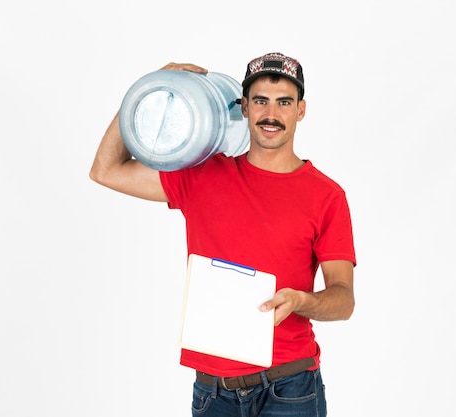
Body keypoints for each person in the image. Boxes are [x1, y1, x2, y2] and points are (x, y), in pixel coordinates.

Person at [89, 52, 356, 417]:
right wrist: (148, 88)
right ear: (244, 107)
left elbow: (343, 300)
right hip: (213, 393)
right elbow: (105, 170)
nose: (271, 115)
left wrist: (301, 301)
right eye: (261, 101)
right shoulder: (201, 175)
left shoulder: (326, 196)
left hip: (290, 388)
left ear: (301, 110)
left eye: (284, 103)